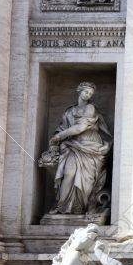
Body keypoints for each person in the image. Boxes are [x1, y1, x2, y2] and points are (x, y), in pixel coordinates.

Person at [45, 82, 111, 216]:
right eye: (86, 92)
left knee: (87, 181)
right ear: (79, 91)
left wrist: (59, 136)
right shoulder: (69, 111)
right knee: (68, 174)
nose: (88, 95)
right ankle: (61, 206)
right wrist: (57, 137)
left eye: (90, 93)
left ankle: (80, 208)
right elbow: (62, 128)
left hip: (90, 147)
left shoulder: (90, 108)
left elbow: (80, 127)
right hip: (73, 146)